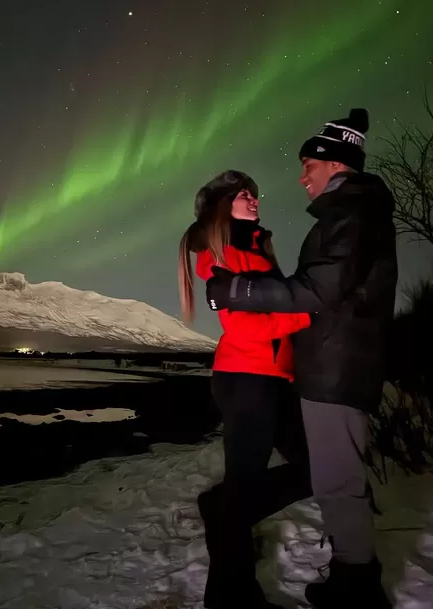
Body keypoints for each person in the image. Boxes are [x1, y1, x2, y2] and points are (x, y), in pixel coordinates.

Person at [205, 109, 398, 609]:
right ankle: (234, 565)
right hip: (263, 374)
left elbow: (315, 292)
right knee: (320, 478)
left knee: (330, 478)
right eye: (241, 194)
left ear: (333, 164)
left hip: (325, 371)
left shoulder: (351, 215)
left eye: (307, 165)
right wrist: (248, 296)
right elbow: (269, 313)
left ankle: (353, 583)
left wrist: (244, 292)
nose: (299, 177)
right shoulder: (228, 246)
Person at [178, 170, 314, 609]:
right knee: (252, 484)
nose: (254, 199)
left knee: (317, 469)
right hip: (246, 379)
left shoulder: (255, 248)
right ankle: (230, 596)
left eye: (255, 194)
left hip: (272, 378)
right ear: (222, 205)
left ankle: (224, 507)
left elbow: (273, 310)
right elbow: (247, 327)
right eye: (242, 195)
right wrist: (305, 311)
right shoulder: (223, 254)